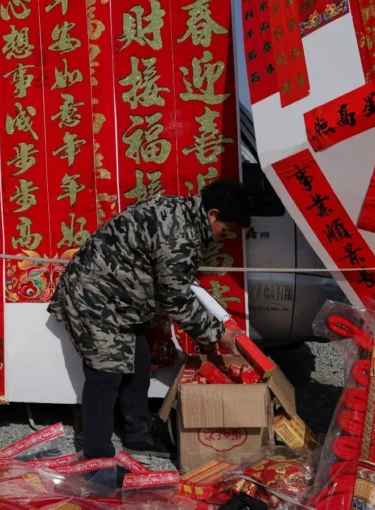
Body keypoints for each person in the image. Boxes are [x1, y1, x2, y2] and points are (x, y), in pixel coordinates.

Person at [48, 179, 251, 461]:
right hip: (93, 294)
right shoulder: (180, 234)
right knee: (106, 374)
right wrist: (219, 334)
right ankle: (97, 459)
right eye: (223, 229)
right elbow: (176, 300)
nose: (221, 237)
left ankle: (138, 435)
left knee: (139, 362)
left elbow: (175, 282)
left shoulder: (183, 212)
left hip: (122, 298)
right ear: (212, 214)